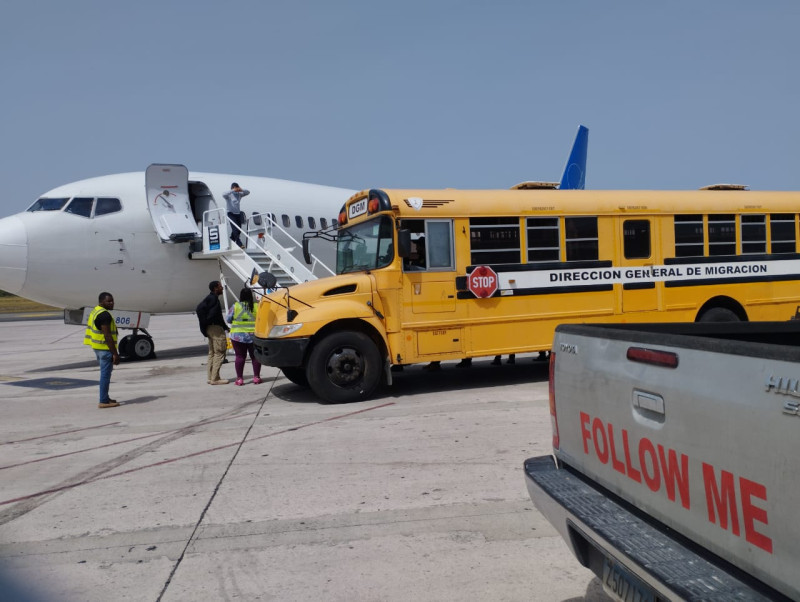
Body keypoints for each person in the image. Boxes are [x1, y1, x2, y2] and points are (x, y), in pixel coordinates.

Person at [83, 292, 120, 408]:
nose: (112, 303)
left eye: (112, 300)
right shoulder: (104, 315)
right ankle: (103, 401)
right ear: (101, 302)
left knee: (105, 374)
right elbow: (107, 336)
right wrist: (115, 354)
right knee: (105, 375)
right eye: (108, 301)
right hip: (105, 350)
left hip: (98, 348)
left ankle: (106, 397)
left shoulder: (96, 310)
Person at [226, 287, 263, 386]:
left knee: (240, 356)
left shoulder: (236, 306)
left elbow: (228, 319)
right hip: (253, 336)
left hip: (238, 336)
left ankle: (239, 379)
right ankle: (256, 377)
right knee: (255, 357)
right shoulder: (256, 306)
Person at [196, 281, 230, 385]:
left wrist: (205, 325)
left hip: (209, 328)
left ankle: (210, 377)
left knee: (212, 353)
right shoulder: (214, 299)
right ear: (215, 288)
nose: (222, 288)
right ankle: (215, 378)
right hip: (215, 328)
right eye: (220, 286)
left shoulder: (208, 298)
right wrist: (224, 327)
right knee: (220, 352)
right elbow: (217, 315)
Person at [223, 182, 250, 248]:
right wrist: (232, 190)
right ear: (232, 188)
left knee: (239, 229)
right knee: (235, 229)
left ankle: (232, 239)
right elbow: (223, 194)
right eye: (235, 187)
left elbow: (248, 192)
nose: (236, 189)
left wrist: (241, 189)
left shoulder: (239, 194)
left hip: (237, 213)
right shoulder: (229, 195)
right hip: (231, 213)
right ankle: (239, 243)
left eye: (237, 187)